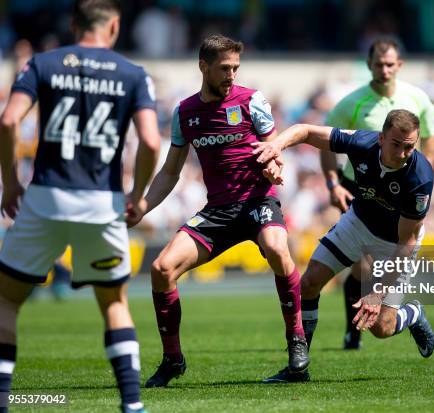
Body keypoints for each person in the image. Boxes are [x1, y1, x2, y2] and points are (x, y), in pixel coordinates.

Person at [0, 1, 160, 412]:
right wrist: (138, 194)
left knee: (5, 301)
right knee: (115, 304)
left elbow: (7, 121)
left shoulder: (43, 63)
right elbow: (151, 141)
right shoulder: (133, 74)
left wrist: (11, 183)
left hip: (46, 196)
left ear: (74, 26)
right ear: (115, 27)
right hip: (102, 203)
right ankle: (132, 405)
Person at [126, 34, 309, 387]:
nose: (231, 75)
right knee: (161, 269)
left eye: (236, 68)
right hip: (219, 210)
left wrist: (275, 167)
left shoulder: (253, 101)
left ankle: (297, 341)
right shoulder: (185, 112)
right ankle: (173, 359)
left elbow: (274, 148)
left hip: (258, 201)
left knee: (276, 248)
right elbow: (170, 171)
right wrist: (144, 206)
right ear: (203, 66)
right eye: (224, 68)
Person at [253, 109, 434, 382]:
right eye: (396, 145)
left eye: (409, 147)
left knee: (381, 328)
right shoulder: (362, 143)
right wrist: (275, 145)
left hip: (395, 243)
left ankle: (413, 313)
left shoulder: (420, 177)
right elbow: (306, 131)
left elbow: (406, 243)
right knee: (309, 282)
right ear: (381, 137)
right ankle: (298, 367)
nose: (402, 154)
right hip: (358, 222)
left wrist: (377, 293)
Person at [321, 38, 434, 349]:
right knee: (361, 265)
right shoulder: (351, 103)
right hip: (357, 187)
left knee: (378, 264)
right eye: (379, 64)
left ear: (399, 65)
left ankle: (391, 316)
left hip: (401, 189)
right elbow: (327, 143)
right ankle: (352, 332)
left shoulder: (417, 98)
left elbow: (431, 136)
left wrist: (424, 181)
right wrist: (333, 183)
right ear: (369, 65)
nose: (384, 69)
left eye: (390, 64)